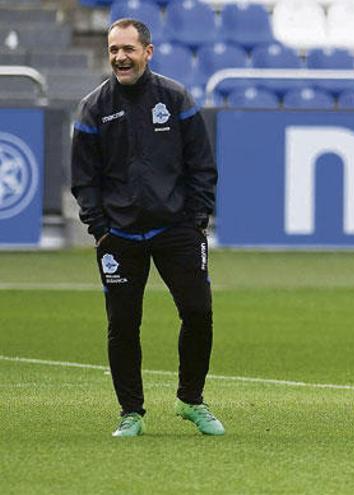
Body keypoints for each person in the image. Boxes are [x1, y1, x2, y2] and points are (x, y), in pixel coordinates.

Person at [71, 18, 224, 437]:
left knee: (198, 312)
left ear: (148, 52)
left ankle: (191, 400)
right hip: (118, 236)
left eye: (128, 49)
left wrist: (197, 220)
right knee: (123, 323)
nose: (120, 57)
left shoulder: (175, 99)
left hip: (176, 230)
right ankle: (131, 412)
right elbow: (84, 179)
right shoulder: (93, 109)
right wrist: (99, 228)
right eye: (113, 50)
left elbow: (202, 165)